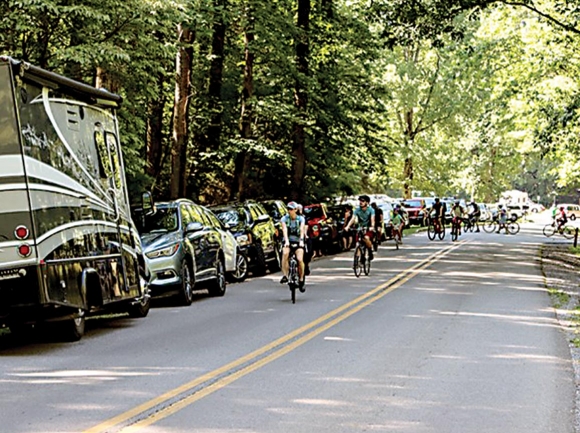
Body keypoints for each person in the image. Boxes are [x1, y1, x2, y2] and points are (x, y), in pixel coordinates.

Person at [279, 201, 307, 291]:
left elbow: (302, 229)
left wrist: (301, 240)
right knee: (285, 253)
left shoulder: (301, 219)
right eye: (288, 209)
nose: (289, 211)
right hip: (288, 241)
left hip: (298, 241)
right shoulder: (284, 219)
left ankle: (301, 279)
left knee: (299, 259)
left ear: (296, 210)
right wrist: (286, 241)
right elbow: (284, 229)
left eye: (291, 209)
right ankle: (285, 275)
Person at [344, 195, 376, 261]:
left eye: (363, 201)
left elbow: (372, 219)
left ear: (367, 202)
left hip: (368, 228)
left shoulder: (371, 210)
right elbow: (353, 219)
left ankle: (370, 252)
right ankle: (357, 259)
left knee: (366, 238)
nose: (361, 202)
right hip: (360, 228)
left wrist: (372, 226)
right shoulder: (357, 210)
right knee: (358, 242)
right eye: (360, 201)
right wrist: (347, 226)